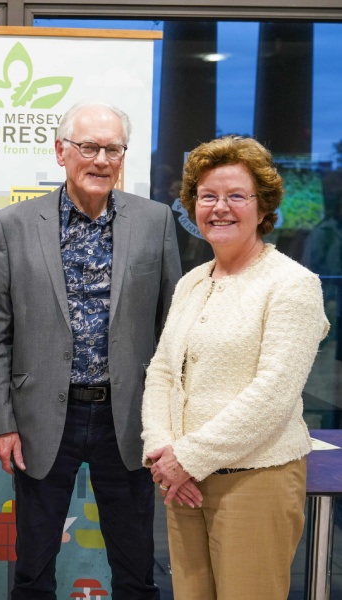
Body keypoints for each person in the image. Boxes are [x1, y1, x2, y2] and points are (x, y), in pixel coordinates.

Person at [0, 100, 182, 600]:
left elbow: (173, 328)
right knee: (33, 567)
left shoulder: (155, 221)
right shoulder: (12, 225)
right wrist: (1, 422)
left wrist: (172, 421)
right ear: (61, 152)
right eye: (88, 147)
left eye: (113, 149)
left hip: (128, 417)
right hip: (43, 418)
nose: (101, 159)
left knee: (136, 567)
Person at [142, 135, 329, 598]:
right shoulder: (192, 282)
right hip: (184, 484)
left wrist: (186, 458)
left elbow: (273, 395)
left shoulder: (292, 285)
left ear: (263, 208)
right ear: (192, 206)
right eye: (208, 196)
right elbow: (163, 372)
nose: (219, 208)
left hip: (255, 484)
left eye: (236, 196)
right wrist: (163, 451)